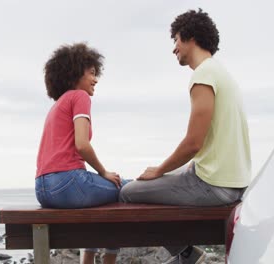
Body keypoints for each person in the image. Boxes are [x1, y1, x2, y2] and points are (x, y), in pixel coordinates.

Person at [119, 9, 252, 264]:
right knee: (153, 186)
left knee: (128, 193)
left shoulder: (203, 75)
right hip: (233, 182)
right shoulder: (222, 74)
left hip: (214, 186)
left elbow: (193, 142)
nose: (174, 48)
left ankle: (187, 254)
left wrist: (159, 170)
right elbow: (215, 138)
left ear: (191, 37)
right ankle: (186, 255)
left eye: (176, 40)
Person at [35, 43, 126, 264]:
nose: (96, 80)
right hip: (68, 182)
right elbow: (82, 145)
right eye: (92, 73)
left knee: (104, 208)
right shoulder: (80, 97)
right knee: (126, 188)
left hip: (43, 189)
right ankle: (183, 250)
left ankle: (87, 261)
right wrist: (103, 172)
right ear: (75, 72)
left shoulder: (57, 105)